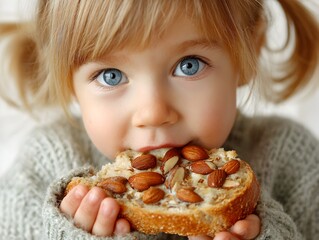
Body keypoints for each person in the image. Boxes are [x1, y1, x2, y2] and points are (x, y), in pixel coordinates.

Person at [0, 0, 318, 239]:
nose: (153, 112)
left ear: (249, 51)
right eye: (111, 76)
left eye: (189, 65)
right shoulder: (43, 167)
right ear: (69, 80)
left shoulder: (292, 159)